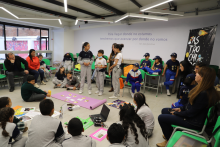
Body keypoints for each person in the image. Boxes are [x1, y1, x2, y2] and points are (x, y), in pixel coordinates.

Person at [157, 66, 220, 147]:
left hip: (193, 122)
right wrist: (180, 108)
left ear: (203, 78)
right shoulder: (203, 89)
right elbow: (190, 105)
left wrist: (177, 113)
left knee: (161, 117)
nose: (195, 74)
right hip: (194, 117)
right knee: (165, 110)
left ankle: (168, 139)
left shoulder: (203, 94)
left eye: (198, 73)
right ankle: (168, 134)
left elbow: (191, 113)